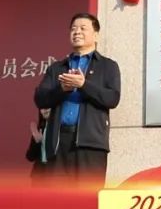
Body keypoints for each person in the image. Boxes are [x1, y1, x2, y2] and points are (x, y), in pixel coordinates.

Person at [34, 13, 120, 186]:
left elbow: (112, 98)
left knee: (87, 197)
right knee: (57, 197)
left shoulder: (108, 66)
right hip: (58, 143)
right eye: (73, 29)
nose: (77, 32)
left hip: (90, 144)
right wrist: (62, 89)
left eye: (83, 28)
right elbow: (40, 98)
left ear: (96, 35)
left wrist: (83, 84)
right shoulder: (57, 67)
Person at [24, 108, 53, 184]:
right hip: (38, 175)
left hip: (54, 175)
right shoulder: (39, 128)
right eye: (42, 108)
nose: (45, 110)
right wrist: (36, 142)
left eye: (48, 108)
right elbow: (30, 157)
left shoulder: (61, 129)